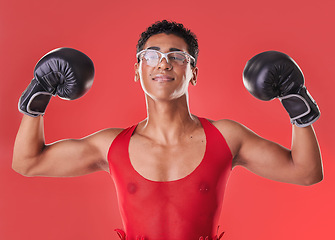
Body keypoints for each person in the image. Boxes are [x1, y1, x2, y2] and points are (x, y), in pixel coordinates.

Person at [12, 20, 323, 240]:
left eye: (177, 56)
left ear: (193, 72)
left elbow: (306, 172)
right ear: (137, 70)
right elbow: (28, 162)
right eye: (151, 55)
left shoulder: (227, 138)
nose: (163, 64)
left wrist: (296, 102)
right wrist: (37, 96)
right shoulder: (111, 145)